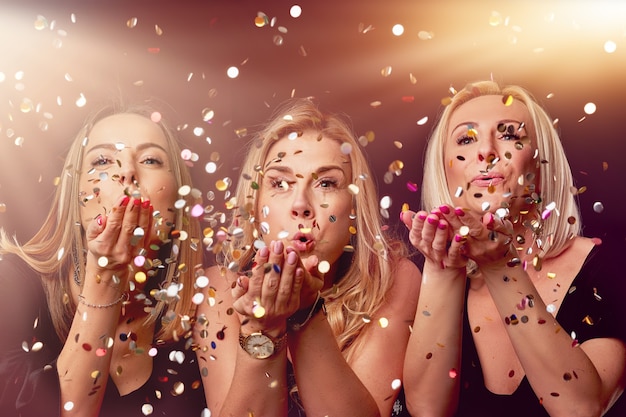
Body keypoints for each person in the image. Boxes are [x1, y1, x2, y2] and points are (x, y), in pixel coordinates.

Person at [400, 80, 626, 417]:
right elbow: (428, 412)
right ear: (444, 172)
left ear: (540, 162)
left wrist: (500, 265)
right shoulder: (418, 277)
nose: (486, 152)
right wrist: (442, 266)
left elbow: (579, 408)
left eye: (509, 134)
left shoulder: (607, 264)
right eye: (465, 139)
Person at [194, 98, 421, 416]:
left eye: (326, 183)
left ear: (353, 209)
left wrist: (305, 314)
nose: (301, 203)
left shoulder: (392, 279)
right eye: (280, 183)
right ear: (256, 202)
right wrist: (263, 328)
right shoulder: (221, 286)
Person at [0, 104, 208, 416]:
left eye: (150, 160)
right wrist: (105, 277)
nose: (127, 172)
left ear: (178, 198)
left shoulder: (208, 305)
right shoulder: (11, 285)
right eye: (102, 160)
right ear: (76, 191)